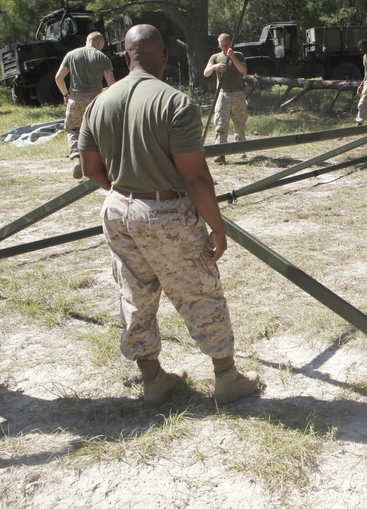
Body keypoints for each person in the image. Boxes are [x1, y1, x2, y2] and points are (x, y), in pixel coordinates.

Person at [79, 25, 260, 409]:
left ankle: (153, 379)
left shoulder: (99, 102)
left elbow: (90, 167)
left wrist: (126, 188)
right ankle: (227, 377)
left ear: (125, 58)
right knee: (199, 288)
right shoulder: (175, 103)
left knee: (134, 293)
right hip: (165, 211)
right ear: (163, 56)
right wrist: (218, 228)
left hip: (117, 208)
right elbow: (195, 176)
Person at [54, 32, 115, 179]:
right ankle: (101, 164)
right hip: (96, 100)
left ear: (87, 40)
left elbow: (58, 77)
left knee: (74, 130)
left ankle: (76, 158)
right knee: (98, 131)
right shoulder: (102, 58)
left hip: (76, 99)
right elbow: (112, 84)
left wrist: (66, 94)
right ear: (100, 44)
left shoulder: (71, 55)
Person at [203, 33, 248, 163]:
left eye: (226, 45)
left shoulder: (238, 55)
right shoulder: (215, 57)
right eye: (221, 45)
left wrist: (233, 58)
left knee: (239, 122)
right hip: (223, 94)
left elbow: (244, 71)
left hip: (238, 93)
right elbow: (206, 73)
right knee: (221, 123)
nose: (223, 47)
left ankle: (241, 149)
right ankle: (220, 153)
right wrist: (214, 67)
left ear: (230, 44)